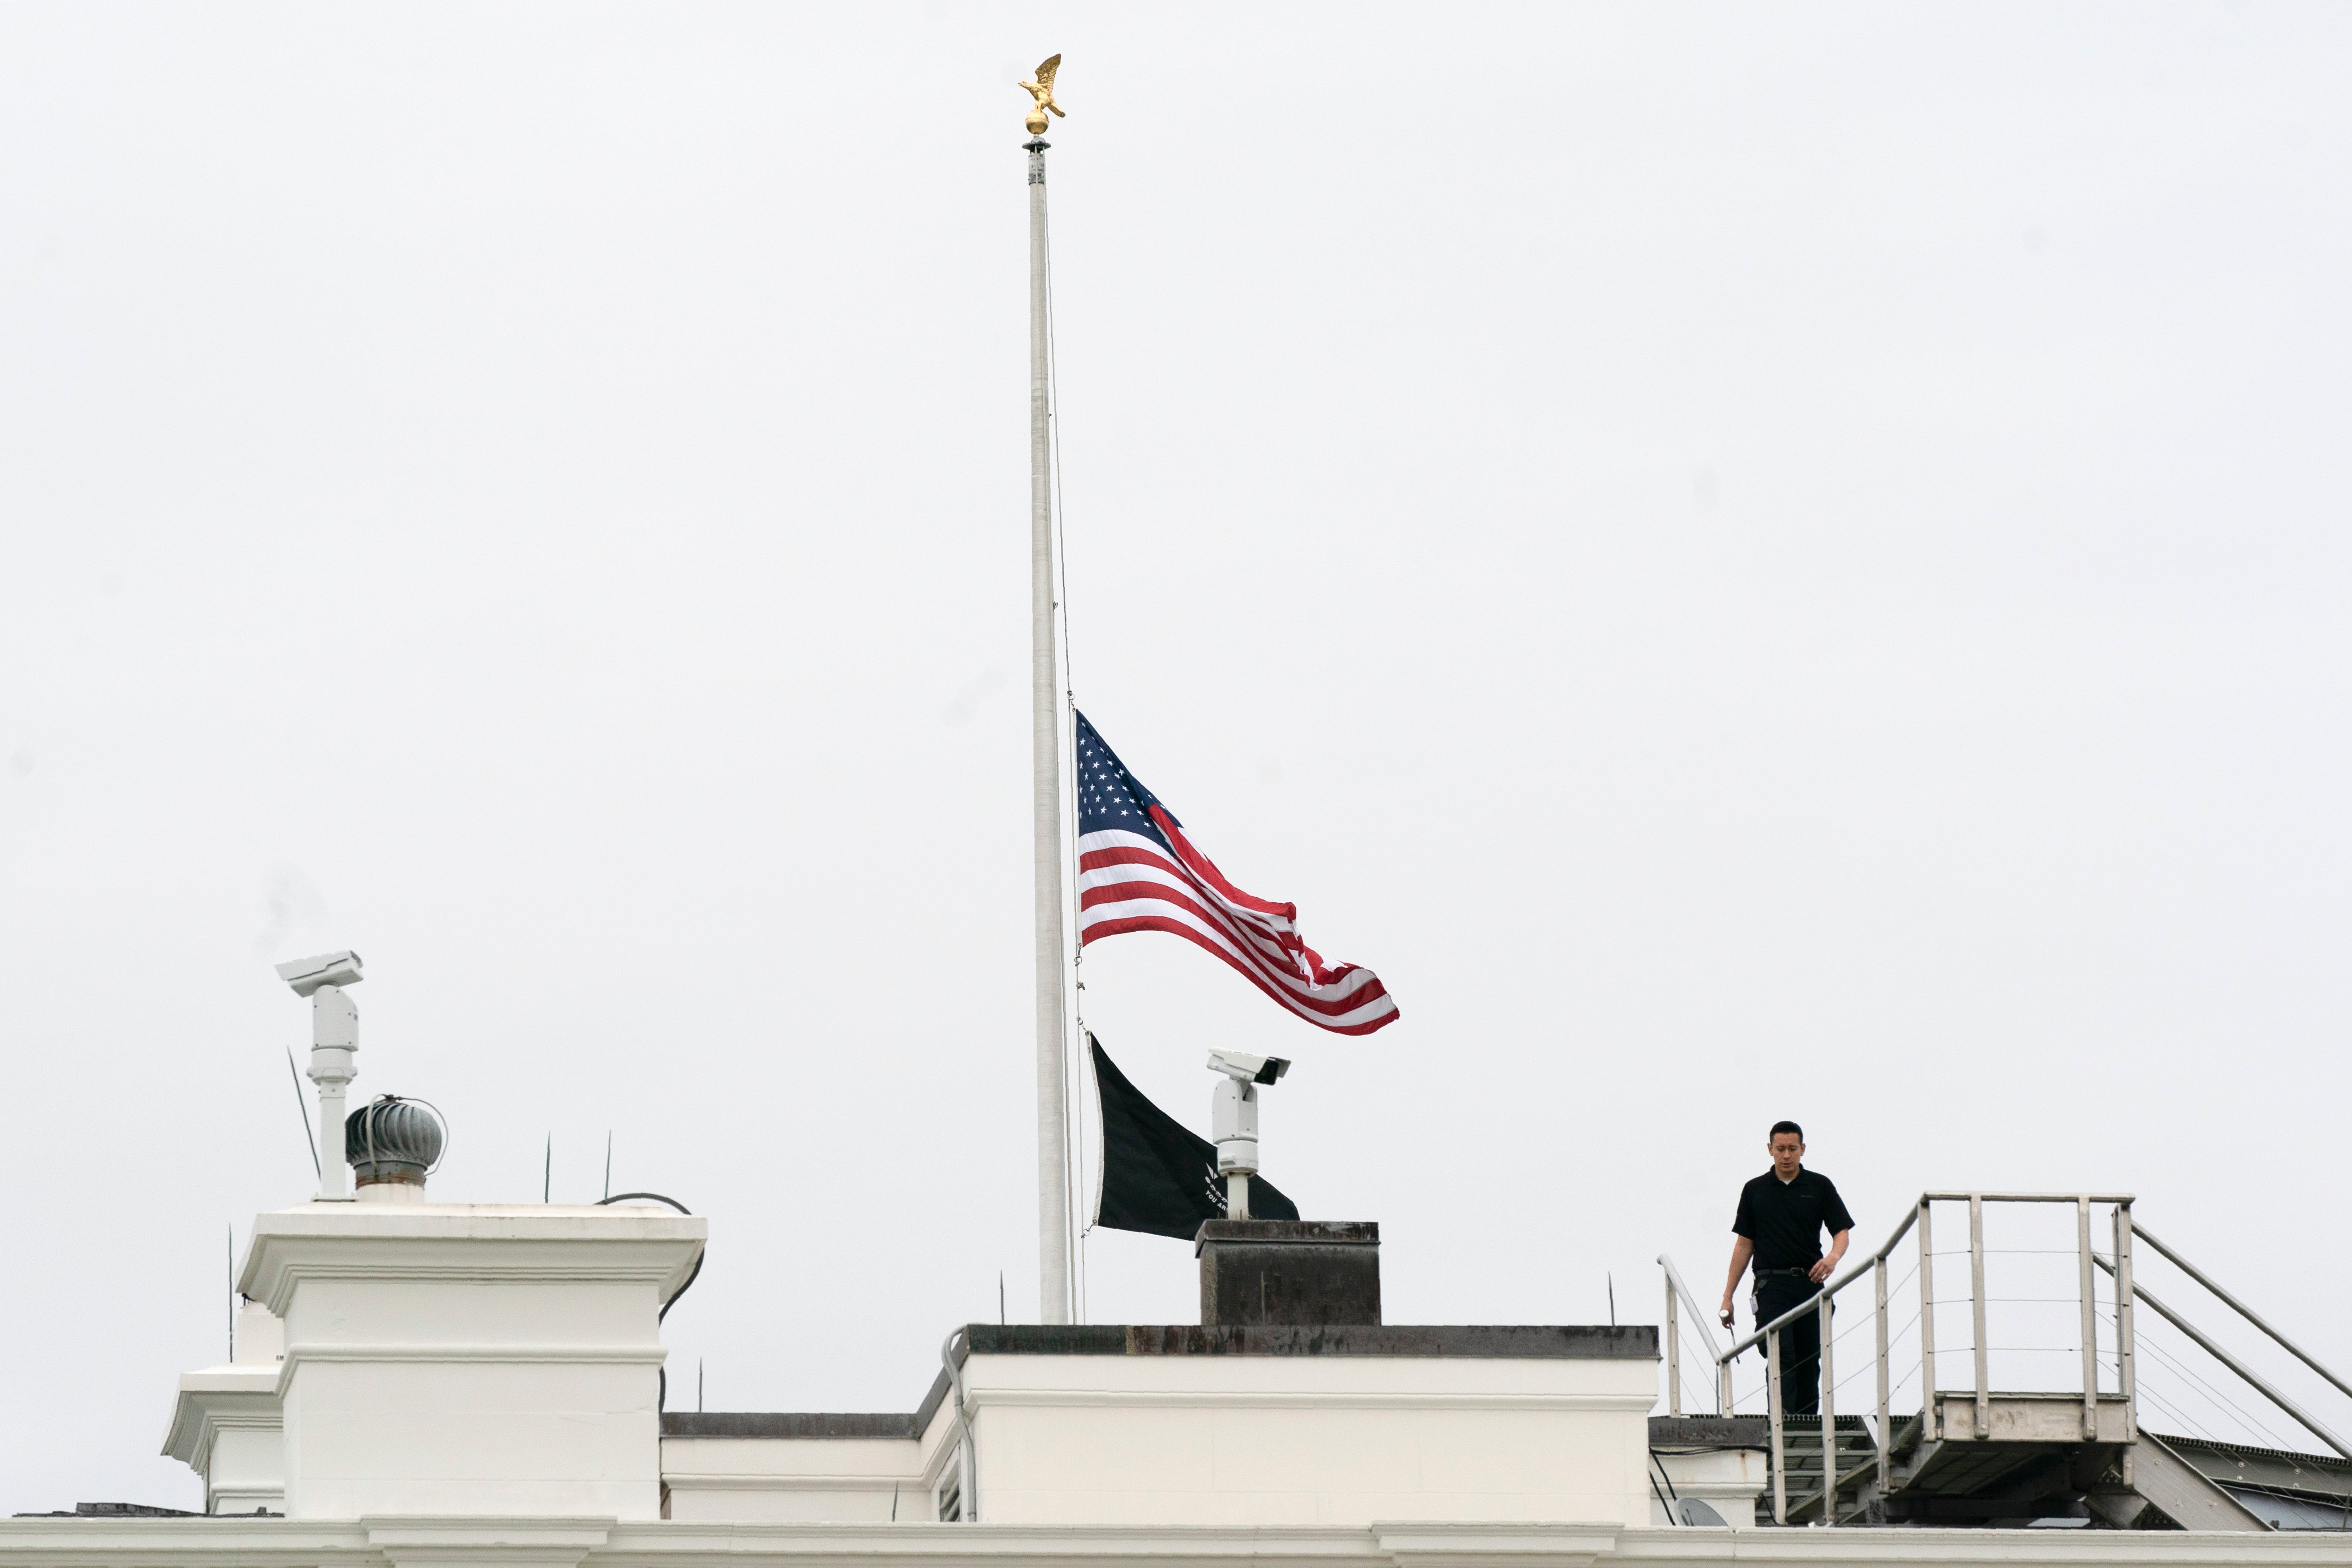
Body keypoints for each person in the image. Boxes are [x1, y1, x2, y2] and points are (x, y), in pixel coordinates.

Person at [1718, 1120, 1853, 1417]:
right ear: (1770, 1150)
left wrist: (1832, 1258)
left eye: (1792, 1149)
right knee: (1781, 1355)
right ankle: (1782, 1423)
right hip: (1771, 1285)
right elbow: (1744, 1245)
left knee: (1809, 1357)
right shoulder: (1755, 1190)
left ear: (1803, 1149)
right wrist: (1728, 1295)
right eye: (1780, 1149)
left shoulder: (1820, 1186)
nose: (1786, 1155)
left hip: (1810, 1281)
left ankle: (1807, 1424)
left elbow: (1841, 1232)